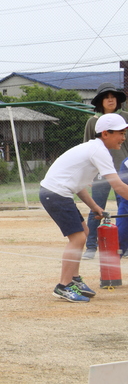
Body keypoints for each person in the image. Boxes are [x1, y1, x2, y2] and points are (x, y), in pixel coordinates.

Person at [39, 113, 128, 303]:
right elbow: (118, 186)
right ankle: (63, 286)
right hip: (55, 194)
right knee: (78, 238)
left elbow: (79, 186)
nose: (123, 138)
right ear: (105, 133)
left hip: (56, 193)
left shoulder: (94, 149)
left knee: (84, 232)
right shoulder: (99, 151)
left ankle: (74, 280)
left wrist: (95, 207)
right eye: (120, 133)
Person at [81, 83, 128, 260]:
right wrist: (88, 174)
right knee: (96, 208)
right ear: (100, 101)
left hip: (122, 172)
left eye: (113, 96)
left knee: (124, 208)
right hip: (100, 173)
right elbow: (87, 148)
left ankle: (124, 247)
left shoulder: (125, 119)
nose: (110, 99)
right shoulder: (92, 122)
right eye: (106, 97)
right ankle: (91, 246)